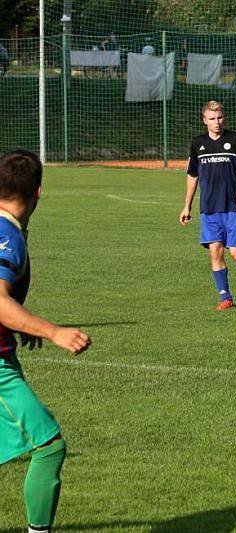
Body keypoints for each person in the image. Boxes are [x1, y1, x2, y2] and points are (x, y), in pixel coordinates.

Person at [0, 149, 92, 533]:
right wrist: (51, 330)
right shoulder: (8, 236)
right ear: (38, 192)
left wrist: (20, 325)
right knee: (49, 446)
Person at [180, 100, 236, 310]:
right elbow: (192, 175)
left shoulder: (235, 140)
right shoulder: (198, 144)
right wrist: (186, 206)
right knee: (215, 251)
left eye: (220, 118)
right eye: (212, 119)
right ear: (204, 120)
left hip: (233, 207)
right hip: (209, 208)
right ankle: (225, 297)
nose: (217, 122)